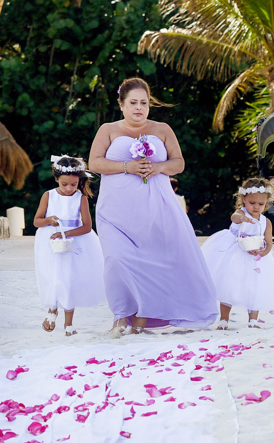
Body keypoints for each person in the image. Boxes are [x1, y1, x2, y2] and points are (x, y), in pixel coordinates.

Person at [88, 78, 218, 336]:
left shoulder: (162, 129)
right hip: (115, 211)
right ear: (121, 104)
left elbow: (178, 163)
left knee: (154, 261)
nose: (139, 108)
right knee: (116, 259)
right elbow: (95, 163)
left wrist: (157, 167)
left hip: (156, 209)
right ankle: (120, 315)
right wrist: (127, 167)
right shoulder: (109, 129)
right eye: (133, 103)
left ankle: (143, 318)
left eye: (144, 103)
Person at [201, 178, 274, 330]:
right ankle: (224, 320)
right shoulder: (240, 213)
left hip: (255, 259)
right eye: (252, 203)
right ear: (244, 199)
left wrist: (262, 253)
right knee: (229, 285)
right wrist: (243, 218)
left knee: (255, 287)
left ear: (266, 202)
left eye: (261, 204)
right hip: (235, 255)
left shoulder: (265, 221)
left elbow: (269, 243)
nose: (256, 207)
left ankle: (253, 320)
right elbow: (234, 218)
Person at [32, 155, 105, 336]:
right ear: (57, 179)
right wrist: (49, 220)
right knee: (53, 276)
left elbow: (87, 226)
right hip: (50, 241)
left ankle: (69, 324)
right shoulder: (48, 195)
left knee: (69, 279)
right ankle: (52, 310)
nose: (68, 188)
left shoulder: (81, 199)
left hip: (74, 241)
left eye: (73, 184)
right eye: (64, 184)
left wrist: (66, 233)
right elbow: (36, 221)